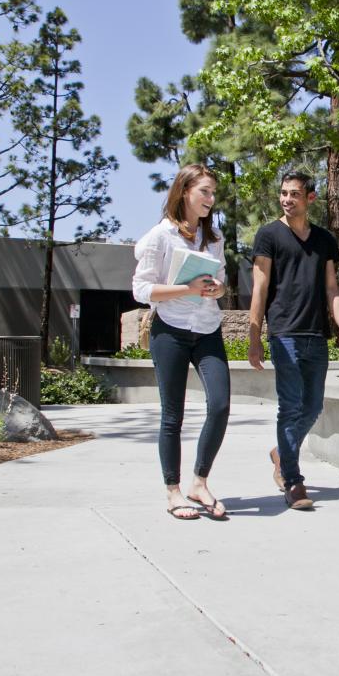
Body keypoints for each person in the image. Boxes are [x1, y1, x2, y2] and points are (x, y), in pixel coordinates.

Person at [248, 171, 339, 510]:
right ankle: (293, 482)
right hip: (284, 334)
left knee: (313, 407)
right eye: (283, 193)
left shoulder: (324, 240)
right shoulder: (268, 235)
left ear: (311, 198)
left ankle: (281, 453)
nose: (286, 199)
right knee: (290, 407)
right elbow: (260, 288)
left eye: (294, 194)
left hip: (316, 336)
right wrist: (255, 336)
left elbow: (332, 289)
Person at [132, 163, 231, 521]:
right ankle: (173, 492)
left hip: (207, 329)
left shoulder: (215, 238)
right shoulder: (160, 236)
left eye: (213, 192)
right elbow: (141, 289)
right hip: (170, 331)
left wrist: (217, 288)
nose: (211, 198)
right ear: (185, 191)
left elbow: (219, 281)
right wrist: (186, 289)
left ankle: (199, 483)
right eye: (205, 191)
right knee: (172, 416)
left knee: (219, 405)